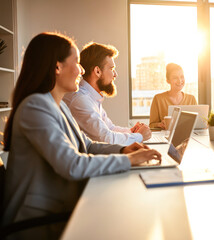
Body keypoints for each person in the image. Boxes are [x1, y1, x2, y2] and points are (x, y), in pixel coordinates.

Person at [1, 32, 161, 239]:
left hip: (61, 207)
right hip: (39, 221)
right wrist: (128, 160)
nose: (82, 70)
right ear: (57, 67)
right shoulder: (35, 107)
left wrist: (123, 149)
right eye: (76, 62)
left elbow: (86, 145)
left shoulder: (58, 105)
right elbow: (72, 165)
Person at [63, 42, 151, 145]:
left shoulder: (91, 97)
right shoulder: (81, 99)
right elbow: (106, 138)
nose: (115, 74)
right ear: (97, 71)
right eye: (111, 68)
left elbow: (110, 128)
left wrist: (131, 131)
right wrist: (139, 136)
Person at [149, 63, 197, 129]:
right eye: (175, 78)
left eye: (182, 77)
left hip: (188, 137)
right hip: (165, 137)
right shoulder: (158, 99)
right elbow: (151, 125)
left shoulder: (191, 99)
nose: (180, 80)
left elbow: (197, 123)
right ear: (168, 81)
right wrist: (160, 124)